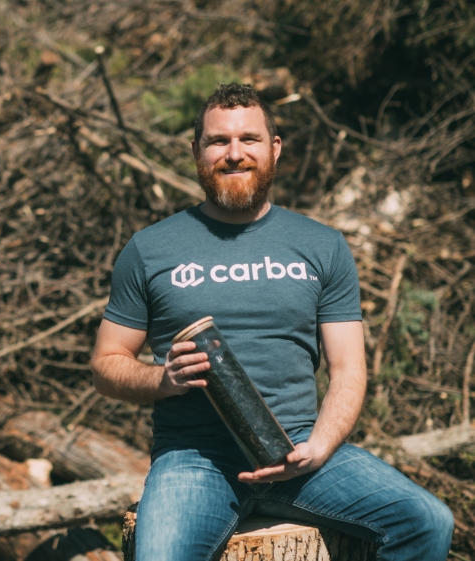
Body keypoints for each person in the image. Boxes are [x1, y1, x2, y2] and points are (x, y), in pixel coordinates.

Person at [90, 83, 454, 561]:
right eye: (219, 140)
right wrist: (163, 378)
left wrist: (320, 446)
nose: (235, 154)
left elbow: (348, 369)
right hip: (195, 460)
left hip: (301, 451)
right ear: (197, 150)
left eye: (250, 139)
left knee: (427, 522)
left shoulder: (321, 245)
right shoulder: (150, 248)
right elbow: (105, 364)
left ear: (274, 148)